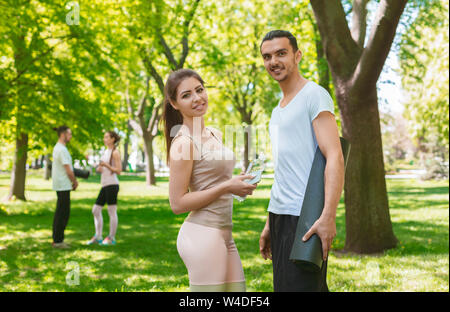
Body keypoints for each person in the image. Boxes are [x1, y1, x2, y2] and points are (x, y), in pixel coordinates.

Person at [258, 30, 345, 292]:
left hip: (306, 218)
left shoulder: (314, 96)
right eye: (267, 56)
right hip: (280, 216)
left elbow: (335, 157)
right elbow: (285, 171)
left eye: (281, 53)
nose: (274, 61)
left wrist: (328, 216)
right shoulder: (278, 109)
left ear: (297, 56)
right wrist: (269, 223)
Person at [162, 68, 257, 292]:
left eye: (199, 90)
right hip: (202, 235)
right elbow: (177, 203)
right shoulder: (183, 143)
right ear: (174, 104)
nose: (197, 98)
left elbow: (212, 179)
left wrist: (237, 182)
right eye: (186, 95)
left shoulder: (215, 133)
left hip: (224, 233)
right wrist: (226, 186)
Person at [87, 131, 122, 246]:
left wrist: (106, 165)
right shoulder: (105, 152)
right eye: (104, 137)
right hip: (105, 185)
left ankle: (111, 238)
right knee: (95, 210)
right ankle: (98, 236)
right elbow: (103, 168)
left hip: (112, 185)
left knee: (111, 211)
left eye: (107, 137)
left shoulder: (115, 152)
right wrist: (99, 168)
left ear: (112, 139)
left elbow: (119, 170)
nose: (104, 139)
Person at [51, 125, 78, 249]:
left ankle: (58, 240)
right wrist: (75, 181)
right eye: (70, 134)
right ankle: (58, 241)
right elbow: (68, 170)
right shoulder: (61, 149)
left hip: (62, 185)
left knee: (62, 212)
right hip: (63, 185)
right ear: (63, 135)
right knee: (63, 213)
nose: (71, 136)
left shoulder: (59, 148)